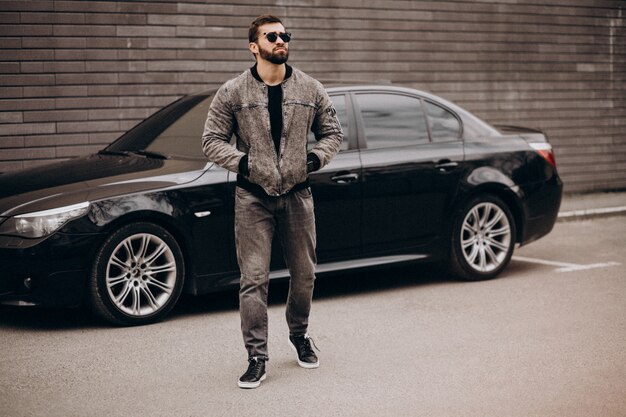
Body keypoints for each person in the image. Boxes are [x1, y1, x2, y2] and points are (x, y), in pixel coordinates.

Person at [201, 14, 343, 389]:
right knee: (254, 279)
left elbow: (333, 133)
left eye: (284, 35)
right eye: (272, 36)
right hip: (252, 198)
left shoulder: (310, 88)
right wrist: (244, 162)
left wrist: (312, 160)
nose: (281, 40)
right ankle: (256, 356)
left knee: (305, 274)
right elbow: (211, 140)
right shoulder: (233, 92)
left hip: (298, 196)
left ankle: (299, 335)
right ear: (254, 46)